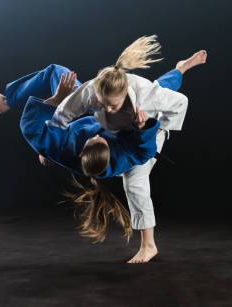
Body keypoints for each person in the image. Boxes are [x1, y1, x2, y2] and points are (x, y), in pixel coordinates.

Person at [52, 35, 207, 263]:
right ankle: (180, 67)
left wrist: (156, 130)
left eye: (111, 105)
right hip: (113, 133)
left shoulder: (144, 95)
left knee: (134, 182)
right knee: (161, 85)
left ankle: (149, 245)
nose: (105, 107)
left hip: (144, 131)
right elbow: (63, 114)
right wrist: (45, 147)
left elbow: (180, 103)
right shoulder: (90, 91)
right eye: (102, 103)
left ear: (125, 92)